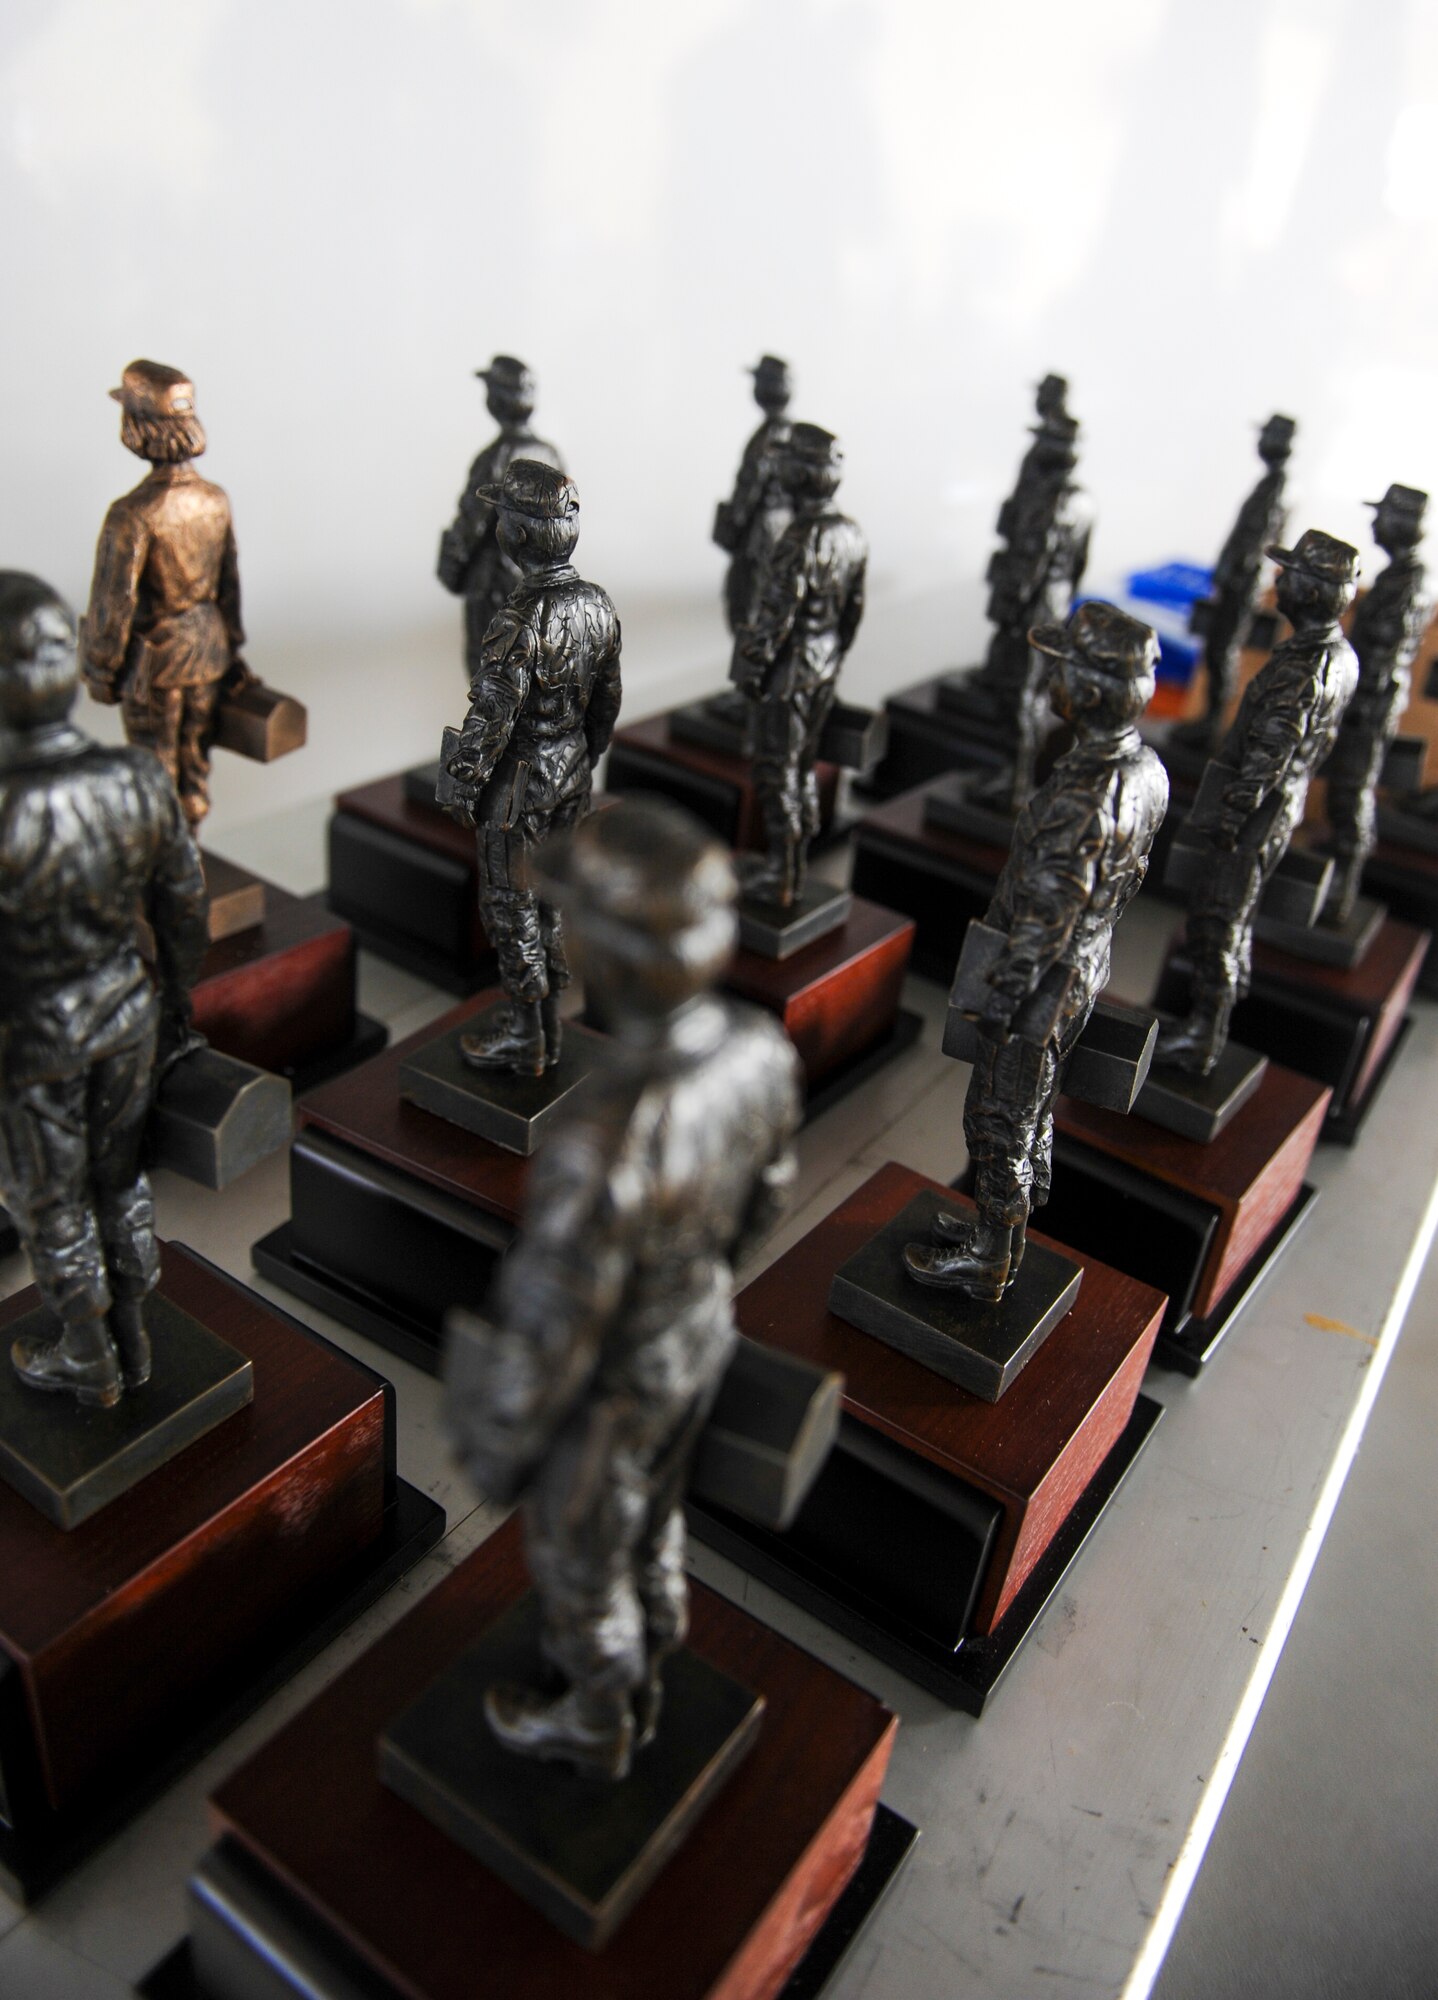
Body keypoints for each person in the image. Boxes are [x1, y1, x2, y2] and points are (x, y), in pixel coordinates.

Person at [445, 797, 802, 1776]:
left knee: (577, 1552)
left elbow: (556, 1321)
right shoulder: (758, 1047)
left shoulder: (598, 1139)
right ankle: (659, 1633)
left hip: (612, 1380)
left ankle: (598, 1713)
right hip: (699, 1329)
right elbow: (766, 1197)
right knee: (656, 1510)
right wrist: (700, 1282)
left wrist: (499, 1439)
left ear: (605, 954)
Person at [907, 601, 1168, 1300]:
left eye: (1063, 667)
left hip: (1041, 976)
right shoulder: (1146, 768)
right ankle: (998, 1234)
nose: (1052, 677)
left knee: (1000, 1113)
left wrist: (1001, 997)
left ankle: (993, 1258)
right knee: (1029, 1108)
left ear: (1088, 688)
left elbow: (1046, 917)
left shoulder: (1082, 796)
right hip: (1087, 959)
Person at [0, 572, 208, 1407]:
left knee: (51, 1197)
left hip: (38, 1041)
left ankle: (90, 1353)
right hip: (127, 1012)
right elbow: (183, 902)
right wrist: (179, 1003)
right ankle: (133, 1332)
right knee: (120, 1179)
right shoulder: (134, 775)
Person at [438, 460, 621, 1075]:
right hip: (571, 773)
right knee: (555, 903)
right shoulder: (597, 604)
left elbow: (492, 717)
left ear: (515, 535)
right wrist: (586, 755)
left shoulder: (518, 620)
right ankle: (549, 1027)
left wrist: (462, 783)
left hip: (519, 787)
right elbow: (607, 701)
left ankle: (526, 1032)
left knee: (511, 905)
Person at [1155, 528, 1359, 1075]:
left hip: (1254, 812)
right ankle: (1206, 1025)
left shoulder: (1301, 667)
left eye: (1288, 573)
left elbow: (1270, 752)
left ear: (1313, 590)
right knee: (1231, 921)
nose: (1278, 581)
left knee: (1217, 921)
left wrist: (1230, 816)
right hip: (1276, 806)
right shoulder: (1336, 653)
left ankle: (1204, 1034)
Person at [81, 360, 246, 829]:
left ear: (137, 427)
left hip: (156, 660)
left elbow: (113, 606)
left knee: (154, 772)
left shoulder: (132, 514)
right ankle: (186, 856)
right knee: (194, 768)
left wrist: (100, 671)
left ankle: (169, 879)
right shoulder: (214, 498)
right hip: (208, 651)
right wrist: (232, 648)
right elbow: (229, 585)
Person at [731, 422, 867, 908]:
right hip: (824, 663)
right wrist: (830, 654)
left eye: (787, 461)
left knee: (776, 770)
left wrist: (750, 672)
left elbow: (774, 619)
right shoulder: (852, 533)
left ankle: (783, 872)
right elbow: (853, 613)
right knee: (805, 765)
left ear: (802, 474)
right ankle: (793, 863)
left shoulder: (797, 539)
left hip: (788, 672)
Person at [972, 410, 1092, 810]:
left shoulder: (1051, 501)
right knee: (1030, 690)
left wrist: (1009, 607)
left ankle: (1015, 779)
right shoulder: (1083, 500)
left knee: (1019, 692)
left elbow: (1030, 562)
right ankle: (1014, 775)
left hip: (1029, 607)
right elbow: (1078, 565)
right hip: (1053, 602)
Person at [1321, 484, 1427, 917]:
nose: (1374, 523)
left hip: (1371, 704)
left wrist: (1357, 700)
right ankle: (1338, 861)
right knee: (1343, 786)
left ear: (1401, 524)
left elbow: (1384, 647)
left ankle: (1346, 875)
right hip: (1365, 698)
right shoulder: (1398, 575)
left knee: (1352, 789)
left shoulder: (1409, 582)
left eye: (1382, 516)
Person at [1173, 414, 1296, 755]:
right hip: (1238, 578)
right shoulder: (1271, 481)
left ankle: (1213, 721)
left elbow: (1257, 539)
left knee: (1222, 648)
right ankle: (1209, 718)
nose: (1261, 443)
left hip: (1243, 581)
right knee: (1217, 647)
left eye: (1267, 436)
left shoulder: (1277, 485)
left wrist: (1234, 573)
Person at [437, 355, 564, 681]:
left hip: (493, 585)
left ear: (496, 400)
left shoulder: (495, 457)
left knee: (490, 675)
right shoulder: (550, 453)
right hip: (539, 583)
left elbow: (470, 524)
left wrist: (451, 568)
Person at [713, 353, 794, 636]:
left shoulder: (766, 438)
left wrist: (732, 525)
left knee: (745, 601)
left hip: (760, 534)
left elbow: (749, 488)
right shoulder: (792, 432)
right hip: (783, 527)